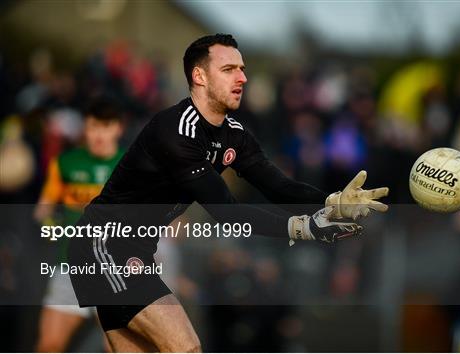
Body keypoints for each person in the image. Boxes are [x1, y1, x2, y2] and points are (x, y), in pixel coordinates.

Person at [67, 33, 389, 352]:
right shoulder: (176, 131)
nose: (243, 78)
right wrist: (304, 227)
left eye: (243, 68)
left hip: (133, 252)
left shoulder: (235, 135)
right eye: (229, 69)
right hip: (103, 245)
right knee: (187, 348)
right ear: (199, 76)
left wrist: (331, 202)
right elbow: (227, 212)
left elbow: (278, 186)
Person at [34, 95, 124, 352]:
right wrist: (50, 229)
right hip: (70, 267)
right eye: (93, 126)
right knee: (49, 346)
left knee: (117, 348)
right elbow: (43, 212)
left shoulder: (130, 165)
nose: (98, 135)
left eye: (105, 127)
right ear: (85, 127)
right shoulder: (65, 163)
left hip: (115, 272)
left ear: (118, 128)